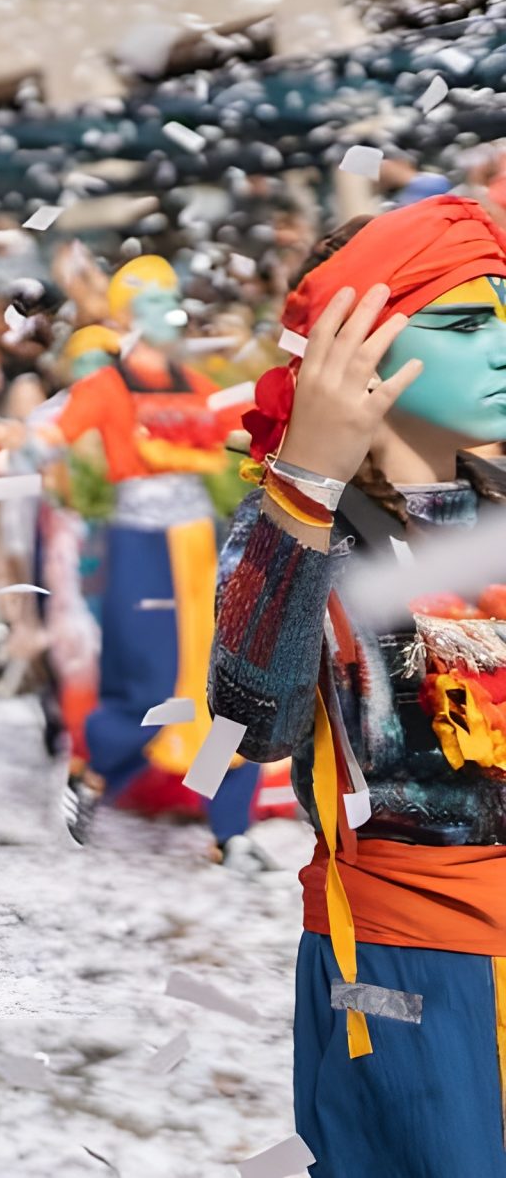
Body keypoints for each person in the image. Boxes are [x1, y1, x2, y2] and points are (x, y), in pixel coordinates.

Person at [210, 195, 506, 1174]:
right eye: (465, 319)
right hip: (399, 961)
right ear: (357, 347)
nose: (500, 341)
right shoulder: (303, 535)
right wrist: (304, 481)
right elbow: (251, 722)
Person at [42, 255, 263, 861]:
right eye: (150, 303)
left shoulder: (196, 386)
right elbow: (51, 434)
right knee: (150, 687)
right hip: (140, 544)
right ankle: (94, 774)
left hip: (201, 545)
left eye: (172, 299)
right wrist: (11, 445)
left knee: (225, 689)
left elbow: (247, 427)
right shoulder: (105, 387)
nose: (168, 313)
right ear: (123, 318)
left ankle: (230, 829)